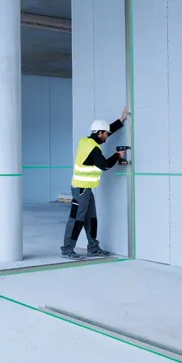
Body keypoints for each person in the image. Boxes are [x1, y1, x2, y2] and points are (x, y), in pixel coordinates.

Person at [61, 107, 129, 260]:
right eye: (105, 134)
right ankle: (67, 249)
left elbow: (107, 130)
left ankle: (93, 247)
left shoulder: (86, 141)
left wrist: (121, 120)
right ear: (99, 133)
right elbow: (104, 165)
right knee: (77, 219)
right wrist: (117, 156)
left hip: (86, 189)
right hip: (81, 189)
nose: (107, 136)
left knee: (91, 218)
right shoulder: (93, 149)